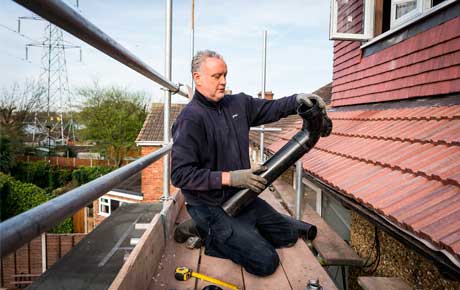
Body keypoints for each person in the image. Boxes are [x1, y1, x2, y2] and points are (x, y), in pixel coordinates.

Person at [171, 50, 326, 276]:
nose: (223, 82)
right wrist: (232, 177)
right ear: (197, 78)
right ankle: (204, 230)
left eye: (225, 75)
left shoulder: (238, 104)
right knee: (265, 261)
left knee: (288, 236)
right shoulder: (190, 119)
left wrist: (298, 100)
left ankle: (235, 231)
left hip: (242, 198)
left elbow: (273, 108)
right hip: (209, 205)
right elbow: (180, 175)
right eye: (216, 76)